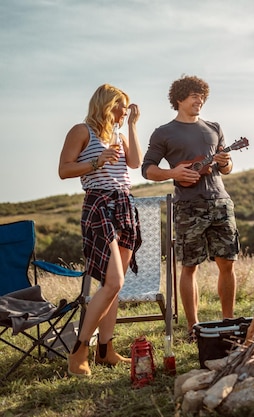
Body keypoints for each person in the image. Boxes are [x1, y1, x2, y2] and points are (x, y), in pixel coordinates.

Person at [142, 75, 239, 341]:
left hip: (220, 201)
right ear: (179, 99)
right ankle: (194, 328)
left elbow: (226, 169)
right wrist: (174, 173)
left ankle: (229, 321)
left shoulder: (214, 127)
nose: (199, 101)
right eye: (194, 96)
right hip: (187, 206)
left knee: (227, 263)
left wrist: (226, 161)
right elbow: (147, 169)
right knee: (189, 267)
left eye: (202, 96)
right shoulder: (164, 132)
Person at [59, 84, 142, 377]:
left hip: (124, 202)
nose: (125, 110)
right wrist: (96, 161)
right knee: (114, 281)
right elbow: (64, 170)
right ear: (107, 104)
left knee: (114, 286)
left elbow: (135, 163)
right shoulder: (82, 131)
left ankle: (105, 350)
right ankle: (78, 351)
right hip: (99, 203)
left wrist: (131, 126)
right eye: (122, 105)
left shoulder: (118, 134)